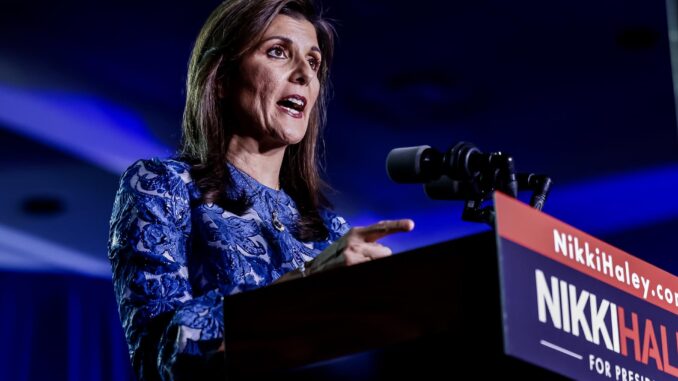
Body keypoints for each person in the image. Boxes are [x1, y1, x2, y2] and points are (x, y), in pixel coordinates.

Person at [107, 0, 414, 380]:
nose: (304, 74)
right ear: (220, 78)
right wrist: (302, 284)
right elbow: (164, 356)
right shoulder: (162, 185)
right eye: (278, 52)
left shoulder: (329, 231)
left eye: (314, 63)